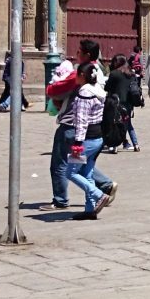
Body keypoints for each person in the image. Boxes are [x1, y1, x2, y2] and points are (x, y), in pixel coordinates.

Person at [40, 40, 116, 212]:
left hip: (73, 128)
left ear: (87, 55)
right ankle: (92, 206)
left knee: (65, 167)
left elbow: (78, 117)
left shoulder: (83, 86)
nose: (76, 54)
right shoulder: (100, 74)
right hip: (96, 132)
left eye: (79, 51)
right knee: (85, 168)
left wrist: (78, 143)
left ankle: (92, 196)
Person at [64, 62, 114, 220]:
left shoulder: (85, 93)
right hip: (98, 138)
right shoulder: (98, 90)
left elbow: (81, 119)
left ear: (82, 76)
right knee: (87, 173)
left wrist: (78, 142)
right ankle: (90, 208)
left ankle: (98, 195)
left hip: (86, 140)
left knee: (70, 172)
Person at [104, 54, 137, 153]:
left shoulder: (114, 74)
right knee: (128, 124)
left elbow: (107, 88)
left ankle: (115, 145)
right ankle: (135, 144)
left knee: (115, 123)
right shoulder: (131, 73)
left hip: (117, 103)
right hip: (129, 103)